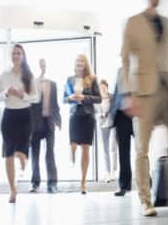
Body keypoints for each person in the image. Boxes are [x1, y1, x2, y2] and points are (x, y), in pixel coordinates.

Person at [121, 0, 168, 217]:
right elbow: (124, 58)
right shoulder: (133, 23)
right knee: (142, 149)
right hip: (143, 93)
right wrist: (129, 94)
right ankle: (145, 200)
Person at [0, 44, 38, 203]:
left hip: (24, 115)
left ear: (23, 56)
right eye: (13, 53)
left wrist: (22, 95)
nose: (16, 55)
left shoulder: (29, 75)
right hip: (8, 116)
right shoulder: (4, 75)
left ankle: (22, 162)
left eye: (18, 53)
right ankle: (12, 190)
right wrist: (6, 93)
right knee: (8, 154)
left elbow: (35, 97)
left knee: (21, 152)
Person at [64, 54, 101, 194]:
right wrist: (71, 97)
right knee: (73, 145)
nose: (79, 63)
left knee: (86, 148)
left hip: (88, 117)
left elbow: (99, 98)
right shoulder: (70, 79)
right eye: (77, 61)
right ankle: (72, 154)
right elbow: (64, 98)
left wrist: (84, 97)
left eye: (82, 61)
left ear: (85, 64)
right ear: (75, 64)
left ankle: (83, 182)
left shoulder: (92, 79)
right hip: (74, 116)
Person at [30, 59, 61, 194]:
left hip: (49, 123)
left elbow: (55, 105)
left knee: (50, 154)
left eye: (43, 64)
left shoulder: (53, 84)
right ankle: (35, 183)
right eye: (40, 64)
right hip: (35, 124)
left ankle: (52, 184)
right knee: (35, 155)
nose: (42, 66)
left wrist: (58, 121)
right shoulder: (32, 84)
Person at [109, 68, 134, 197]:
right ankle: (124, 185)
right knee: (123, 153)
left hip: (137, 114)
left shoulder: (142, 68)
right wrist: (111, 113)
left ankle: (146, 182)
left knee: (142, 151)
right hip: (121, 115)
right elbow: (115, 94)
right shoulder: (119, 71)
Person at [97, 79, 118, 183]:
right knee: (105, 150)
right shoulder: (98, 100)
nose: (103, 89)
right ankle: (108, 172)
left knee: (112, 148)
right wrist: (101, 115)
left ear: (107, 87)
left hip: (113, 124)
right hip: (103, 125)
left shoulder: (112, 97)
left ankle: (114, 171)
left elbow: (116, 109)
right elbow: (96, 112)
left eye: (104, 87)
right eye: (101, 88)